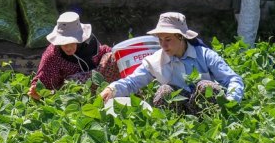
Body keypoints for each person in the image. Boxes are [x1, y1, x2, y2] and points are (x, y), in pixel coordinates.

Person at [100, 12, 244, 113]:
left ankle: (211, 126)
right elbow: (133, 82)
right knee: (165, 91)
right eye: (160, 40)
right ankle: (167, 131)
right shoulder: (154, 61)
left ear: (182, 37)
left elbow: (233, 79)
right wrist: (112, 89)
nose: (163, 45)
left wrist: (230, 103)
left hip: (206, 112)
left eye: (168, 40)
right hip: (176, 117)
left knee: (205, 87)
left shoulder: (205, 55)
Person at [28, 12, 119, 100]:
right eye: (64, 44)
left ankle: (114, 93)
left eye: (72, 43)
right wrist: (36, 89)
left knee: (116, 58)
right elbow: (43, 78)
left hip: (98, 81)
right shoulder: (53, 54)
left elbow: (104, 52)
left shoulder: (89, 43)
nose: (68, 48)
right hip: (72, 92)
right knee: (72, 83)